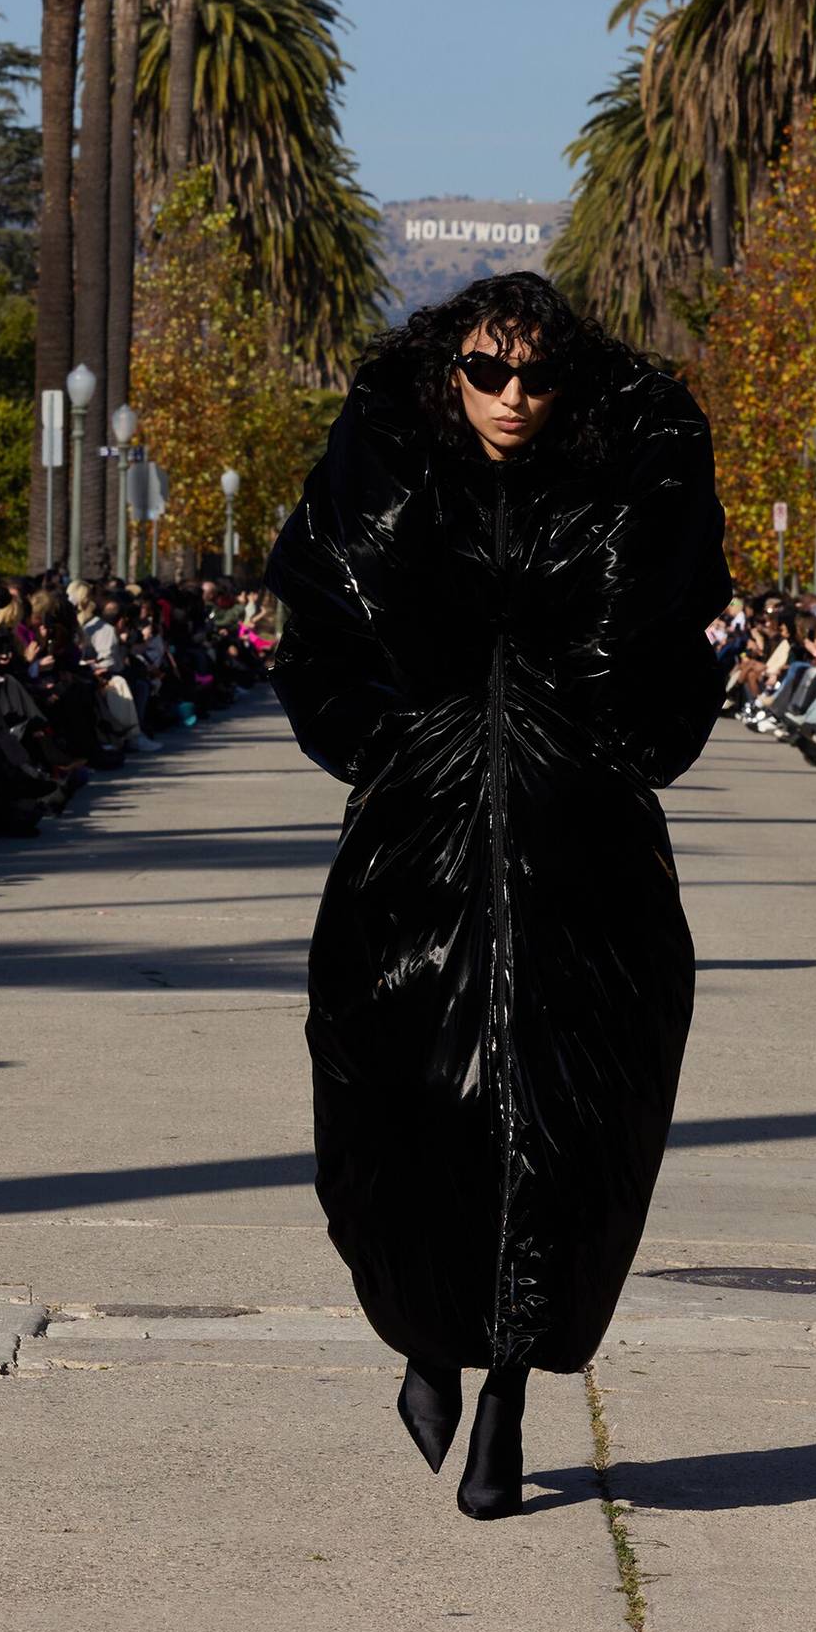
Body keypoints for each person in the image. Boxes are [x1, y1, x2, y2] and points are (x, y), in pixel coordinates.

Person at [264, 271, 730, 1520]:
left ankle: (511, 1393)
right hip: (417, 844)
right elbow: (313, 622)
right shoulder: (396, 473)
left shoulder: (618, 482)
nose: (512, 397)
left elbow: (686, 636)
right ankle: (429, 1339)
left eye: (536, 375)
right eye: (486, 372)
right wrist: (379, 743)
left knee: (569, 1122)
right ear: (446, 371)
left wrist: (624, 753)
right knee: (399, 1100)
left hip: (583, 849)